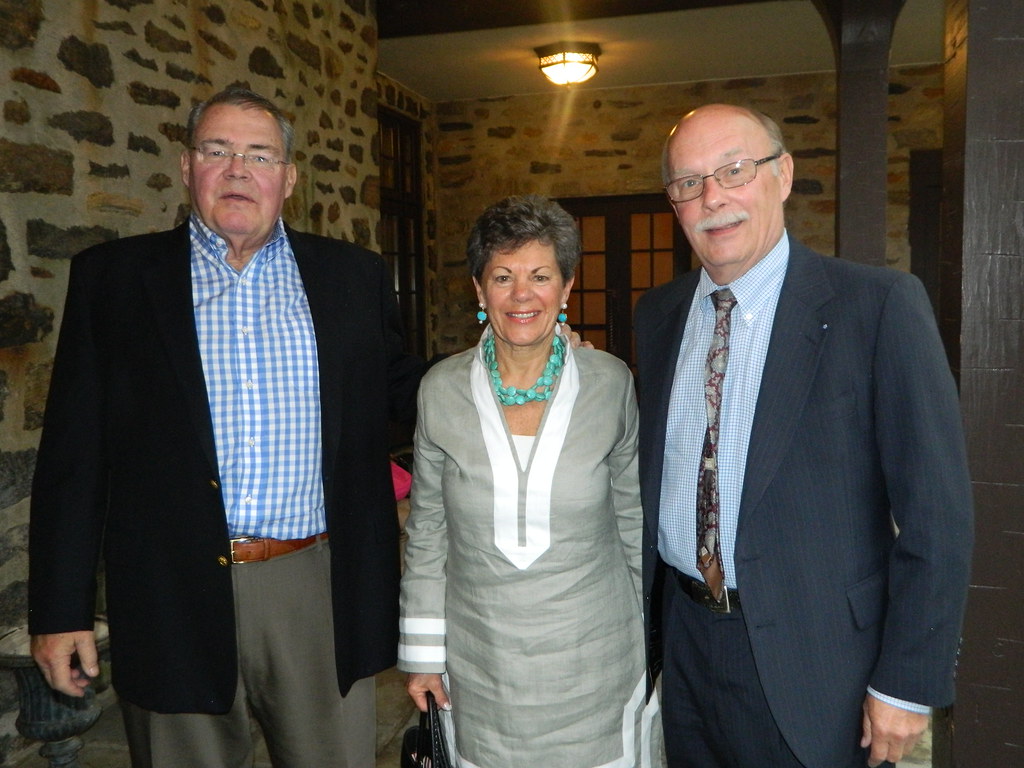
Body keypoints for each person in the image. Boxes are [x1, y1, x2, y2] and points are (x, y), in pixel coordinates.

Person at [28, 87, 427, 768]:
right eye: (218, 150)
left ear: (288, 178)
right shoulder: (114, 281)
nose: (238, 169)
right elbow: (73, 456)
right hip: (169, 591)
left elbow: (410, 389)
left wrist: (518, 367)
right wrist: (60, 610)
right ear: (188, 167)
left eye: (260, 155)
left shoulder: (351, 277)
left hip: (316, 587)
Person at [634, 104, 973, 768]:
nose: (712, 198)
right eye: (689, 182)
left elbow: (938, 514)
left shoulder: (877, 307)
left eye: (735, 170)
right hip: (685, 646)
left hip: (820, 665)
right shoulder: (659, 314)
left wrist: (908, 681)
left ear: (783, 175)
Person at [399, 195, 660, 768]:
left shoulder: (610, 383)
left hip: (597, 661)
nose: (522, 295)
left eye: (540, 276)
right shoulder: (440, 390)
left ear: (566, 288)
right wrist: (422, 654)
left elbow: (635, 519)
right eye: (503, 277)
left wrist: (659, 641)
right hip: (483, 666)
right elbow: (428, 533)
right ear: (479, 290)